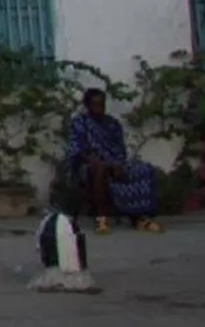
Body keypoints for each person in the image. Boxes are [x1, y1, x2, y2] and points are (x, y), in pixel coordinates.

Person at [65, 88, 160, 233]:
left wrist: (116, 163)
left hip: (114, 161)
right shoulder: (80, 122)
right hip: (88, 163)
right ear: (87, 105)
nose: (99, 108)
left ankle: (139, 218)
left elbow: (120, 150)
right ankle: (101, 219)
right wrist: (103, 162)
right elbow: (78, 150)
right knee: (100, 169)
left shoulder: (112, 123)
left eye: (101, 104)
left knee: (143, 169)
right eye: (95, 105)